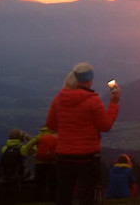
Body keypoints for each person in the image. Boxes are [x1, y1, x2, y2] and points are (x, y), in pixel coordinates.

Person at [46, 62, 120, 205]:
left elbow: (51, 125)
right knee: (87, 196)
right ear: (90, 79)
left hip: (63, 155)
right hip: (88, 156)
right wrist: (114, 103)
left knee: (63, 194)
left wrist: (68, 130)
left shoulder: (58, 99)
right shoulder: (93, 101)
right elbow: (105, 126)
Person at [23, 126, 59, 202]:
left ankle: (38, 198)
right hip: (53, 163)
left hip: (40, 163)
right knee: (53, 182)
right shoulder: (55, 137)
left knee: (40, 182)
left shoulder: (39, 137)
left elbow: (28, 146)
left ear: (42, 130)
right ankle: (53, 198)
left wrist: (34, 153)